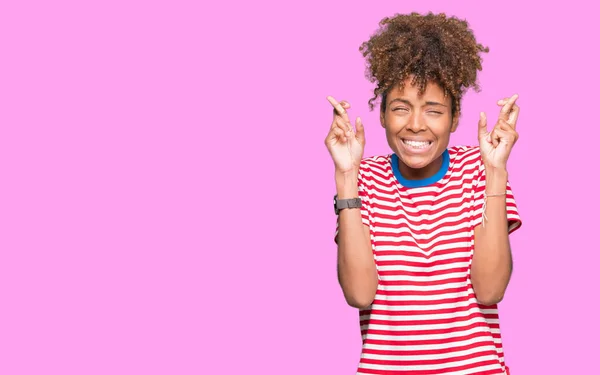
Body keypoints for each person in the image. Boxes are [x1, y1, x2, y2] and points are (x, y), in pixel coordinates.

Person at [325, 12, 522, 375]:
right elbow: (358, 294)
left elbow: (490, 290)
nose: (416, 124)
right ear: (382, 115)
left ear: (455, 117)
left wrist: (496, 172)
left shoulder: (479, 170)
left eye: (433, 111)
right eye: (401, 108)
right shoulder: (363, 179)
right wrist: (346, 176)